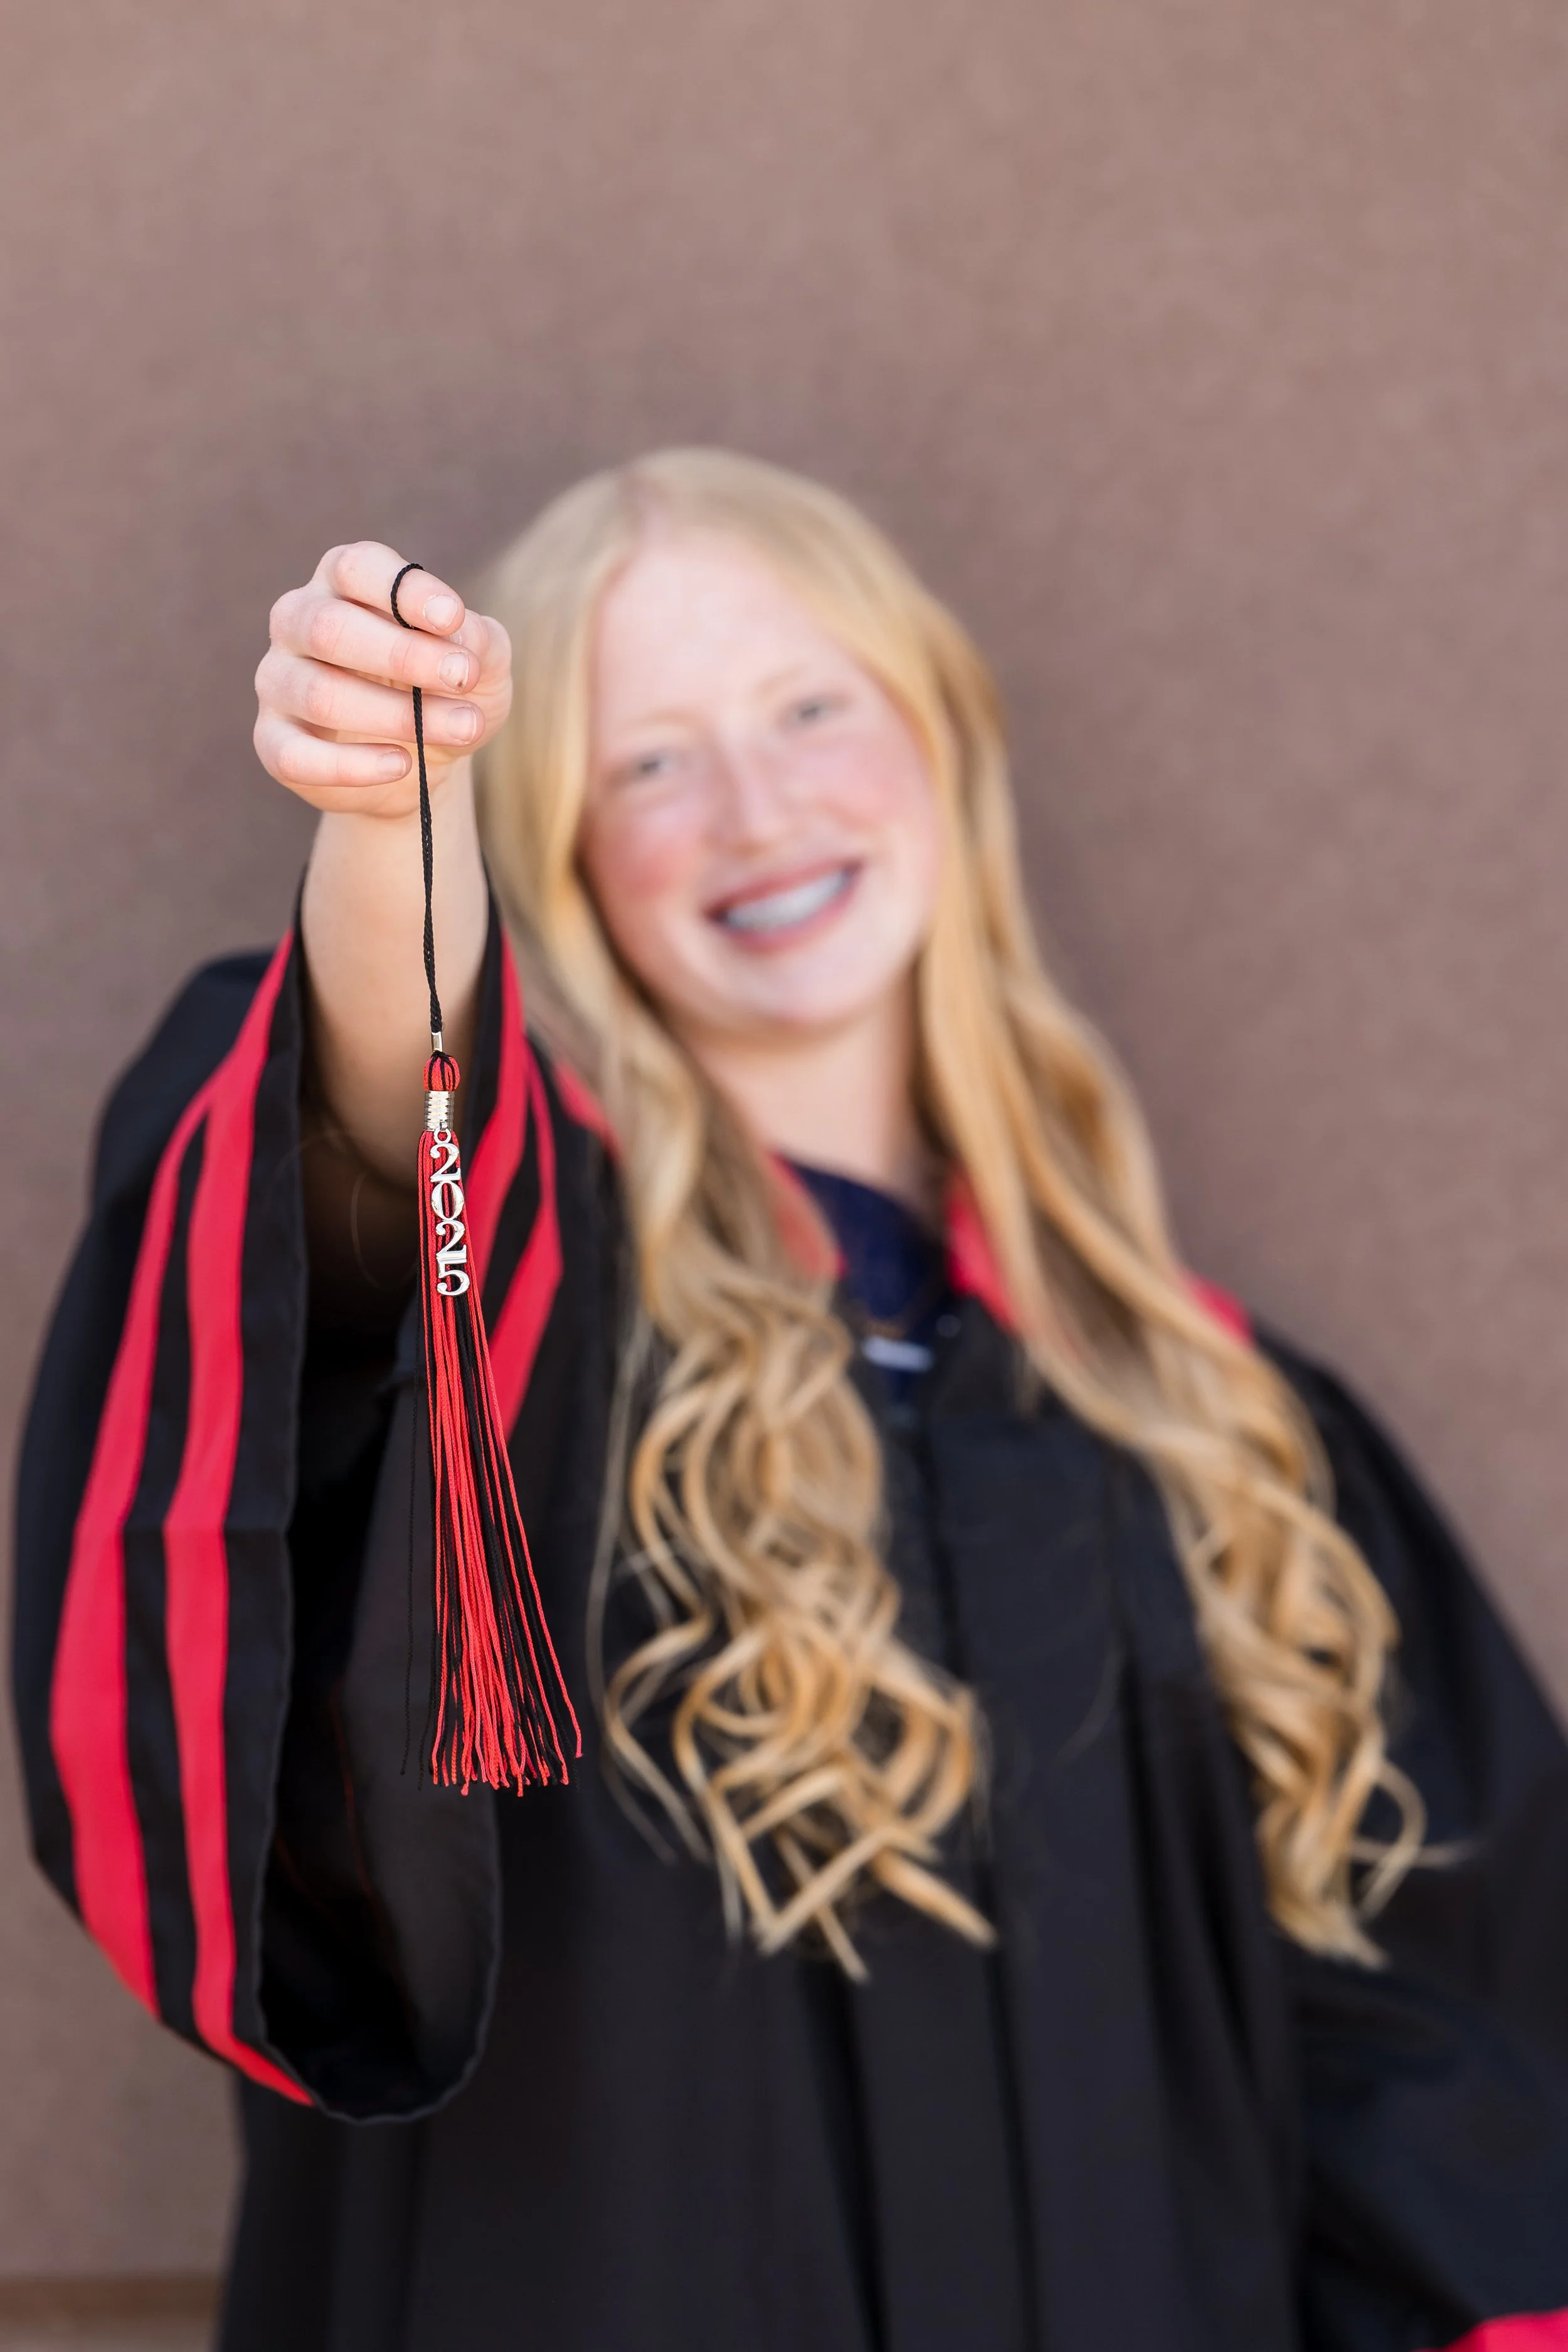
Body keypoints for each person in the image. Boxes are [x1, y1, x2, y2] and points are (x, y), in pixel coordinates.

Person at [15, 449, 1568, 2352]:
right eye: (647, 759)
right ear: (558, 847)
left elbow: (1452, 2105)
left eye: (812, 707)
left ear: (941, 740)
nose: (755, 808)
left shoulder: (1224, 1434)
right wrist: (391, 843)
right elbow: (364, 1208)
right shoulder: (539, 1353)